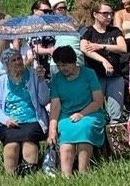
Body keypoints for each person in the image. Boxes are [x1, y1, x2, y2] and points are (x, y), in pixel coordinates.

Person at [46, 44, 107, 176]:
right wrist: (52, 129)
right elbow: (55, 106)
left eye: (65, 65)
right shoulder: (57, 79)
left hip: (90, 112)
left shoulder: (89, 74)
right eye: (59, 66)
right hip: (66, 115)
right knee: (66, 135)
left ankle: (83, 172)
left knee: (85, 128)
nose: (62, 69)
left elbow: (98, 101)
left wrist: (81, 114)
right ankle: (66, 176)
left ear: (73, 62)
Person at [0, 46, 48, 175]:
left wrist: (41, 81)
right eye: (13, 60)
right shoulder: (1, 82)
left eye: (19, 59)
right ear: (6, 65)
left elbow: (44, 100)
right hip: (9, 122)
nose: (18, 62)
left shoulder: (34, 75)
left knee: (29, 140)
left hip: (33, 119)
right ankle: (12, 177)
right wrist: (6, 120)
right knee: (11, 145)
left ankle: (30, 175)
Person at [79, 2, 130, 122]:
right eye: (105, 13)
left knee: (116, 113)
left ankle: (115, 139)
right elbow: (84, 48)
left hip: (115, 76)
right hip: (95, 76)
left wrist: (100, 46)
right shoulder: (88, 31)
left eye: (110, 14)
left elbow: (123, 48)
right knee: (96, 110)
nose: (109, 17)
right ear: (95, 14)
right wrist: (103, 61)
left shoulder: (115, 31)